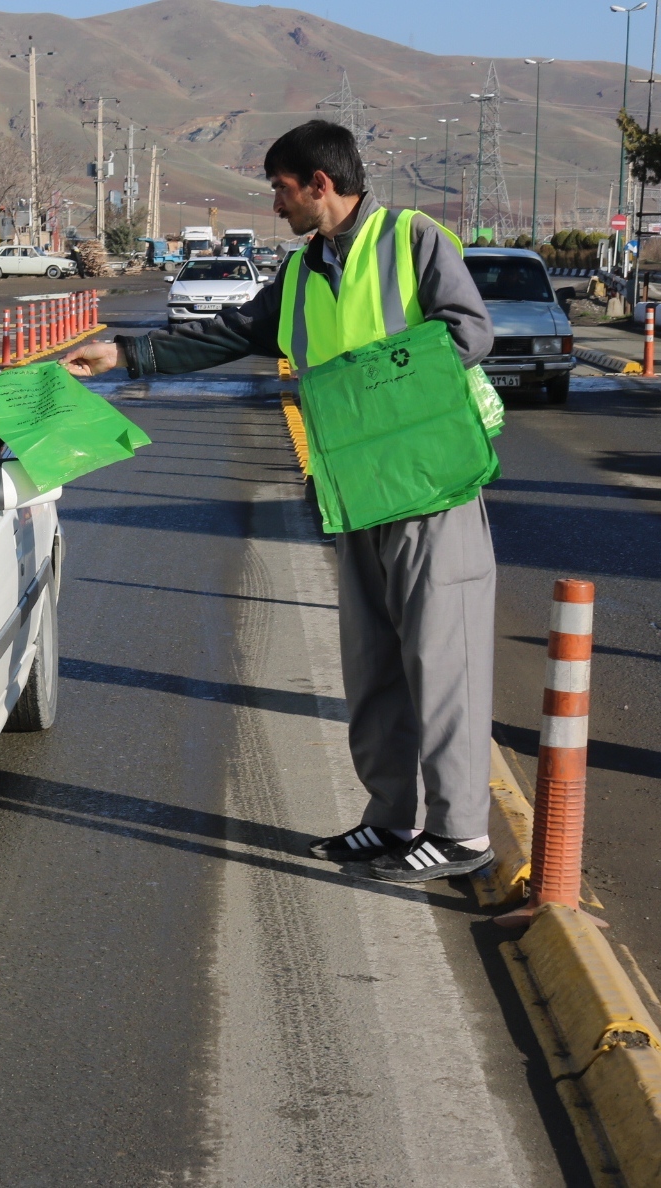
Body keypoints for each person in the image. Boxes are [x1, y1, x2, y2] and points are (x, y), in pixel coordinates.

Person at [63, 119, 498, 885]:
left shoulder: (411, 241)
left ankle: (461, 834)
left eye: (280, 189)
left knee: (442, 662)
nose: (276, 205)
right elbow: (232, 333)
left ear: (320, 185)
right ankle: (391, 818)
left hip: (430, 488)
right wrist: (126, 353)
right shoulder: (301, 271)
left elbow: (468, 334)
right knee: (373, 669)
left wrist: (363, 387)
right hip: (353, 493)